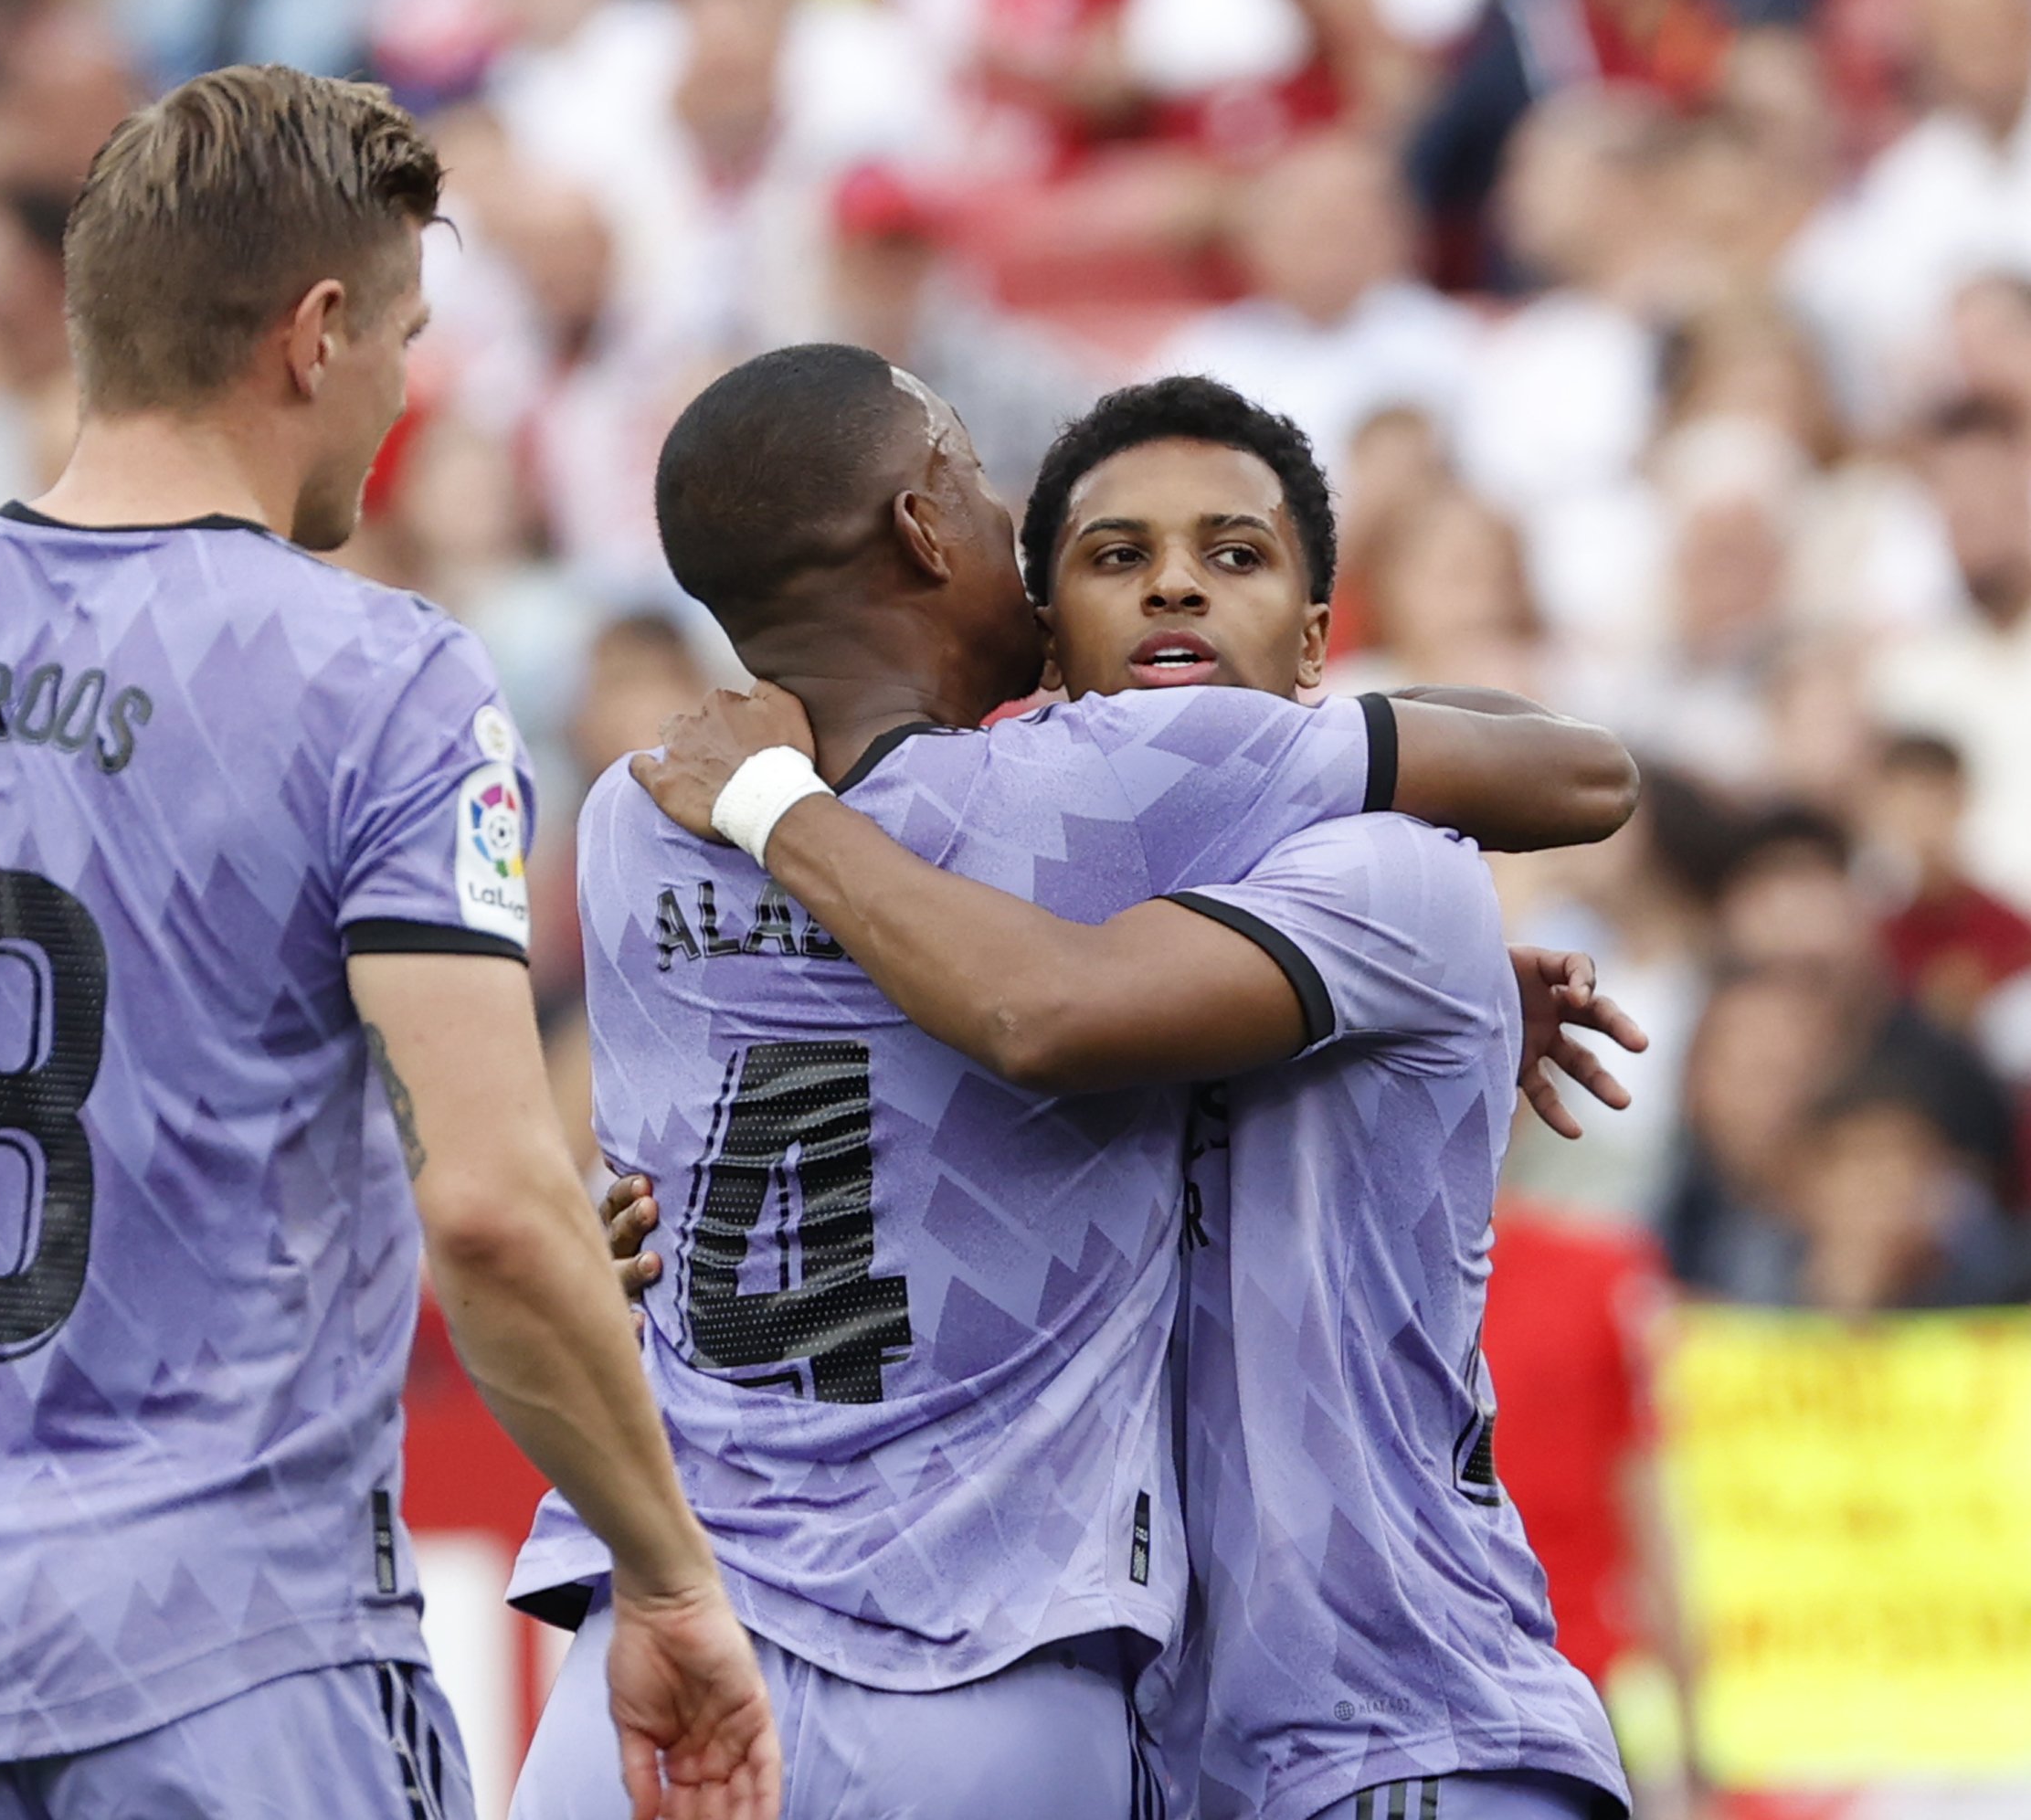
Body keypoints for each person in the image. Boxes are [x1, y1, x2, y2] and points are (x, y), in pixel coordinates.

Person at [0, 66, 777, 1820]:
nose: (399, 389)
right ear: (314, 334)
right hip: (246, 1658)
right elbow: (492, 1208)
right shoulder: (388, 679)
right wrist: (670, 1580)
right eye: (398, 336)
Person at [522, 354, 1634, 1818]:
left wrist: (772, 810)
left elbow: (1008, 1008)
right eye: (1097, 553)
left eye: (1231, 557)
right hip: (1012, 1682)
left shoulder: (631, 812)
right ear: (934, 534)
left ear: (1312, 646)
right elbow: (1037, 1005)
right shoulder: (1100, 799)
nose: (1171, 592)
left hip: (689, 1665)